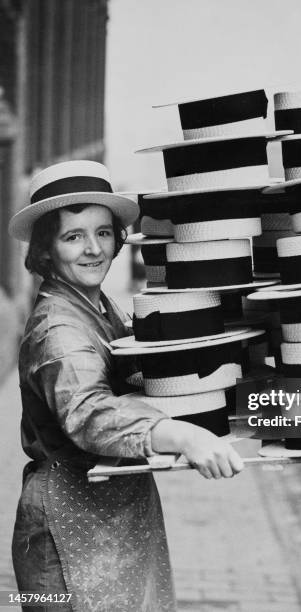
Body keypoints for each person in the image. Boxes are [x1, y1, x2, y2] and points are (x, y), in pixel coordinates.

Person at [8, 160, 244, 612]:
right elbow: (90, 413)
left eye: (102, 232)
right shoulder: (56, 329)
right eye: (72, 236)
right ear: (45, 250)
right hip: (63, 524)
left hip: (113, 507)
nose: (92, 248)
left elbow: (136, 368)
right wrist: (185, 435)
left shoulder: (97, 306)